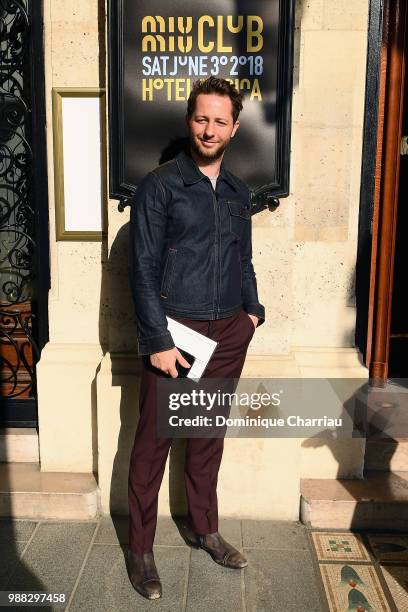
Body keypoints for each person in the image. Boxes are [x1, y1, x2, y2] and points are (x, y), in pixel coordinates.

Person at [127, 76, 265, 600]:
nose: (210, 129)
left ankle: (205, 529)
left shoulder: (237, 192)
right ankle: (141, 550)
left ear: (233, 128)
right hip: (176, 335)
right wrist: (157, 339)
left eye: (220, 121)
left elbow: (243, 261)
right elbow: (140, 271)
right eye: (202, 118)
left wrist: (251, 315)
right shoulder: (160, 186)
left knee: (207, 440)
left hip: (228, 332)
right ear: (191, 121)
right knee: (153, 445)